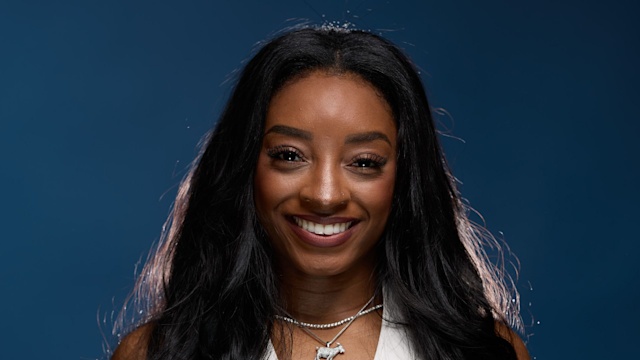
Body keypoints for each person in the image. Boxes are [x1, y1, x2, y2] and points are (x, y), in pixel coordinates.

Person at [111, 26, 530, 360]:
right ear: (244, 169)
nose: (325, 196)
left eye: (364, 162)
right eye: (290, 155)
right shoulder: (158, 353)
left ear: (406, 180)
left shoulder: (484, 351)